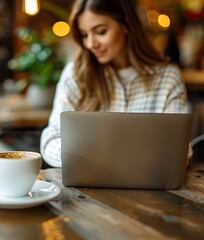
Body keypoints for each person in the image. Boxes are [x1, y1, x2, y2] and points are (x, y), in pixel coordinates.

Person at [40, 0, 189, 167]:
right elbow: (50, 140)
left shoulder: (167, 78)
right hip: (86, 188)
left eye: (101, 32)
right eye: (84, 34)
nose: (90, 43)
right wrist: (87, 158)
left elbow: (181, 149)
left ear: (126, 25)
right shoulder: (76, 75)